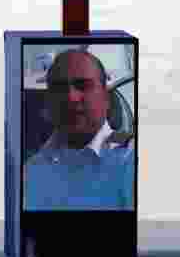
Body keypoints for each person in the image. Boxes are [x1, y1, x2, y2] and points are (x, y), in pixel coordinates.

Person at [24, 50, 134, 210]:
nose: (71, 97)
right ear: (48, 104)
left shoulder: (128, 160)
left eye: (83, 86)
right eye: (59, 88)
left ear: (106, 98)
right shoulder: (32, 171)